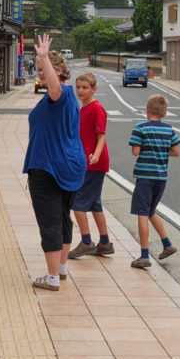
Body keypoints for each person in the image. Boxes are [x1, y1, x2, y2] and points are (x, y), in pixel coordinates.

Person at [23, 33, 86, 291]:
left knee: (50, 220)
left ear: (59, 70)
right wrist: (44, 59)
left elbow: (53, 88)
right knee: (62, 217)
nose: (39, 72)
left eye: (44, 68)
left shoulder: (58, 96)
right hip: (69, 165)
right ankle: (60, 270)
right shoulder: (68, 98)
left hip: (48, 166)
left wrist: (44, 56)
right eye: (38, 68)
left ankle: (51, 278)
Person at [129, 94, 180, 268]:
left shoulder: (140, 128)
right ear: (164, 113)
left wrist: (146, 148)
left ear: (147, 109)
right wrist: (160, 151)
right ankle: (167, 244)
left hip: (144, 177)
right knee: (151, 211)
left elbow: (135, 151)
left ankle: (144, 256)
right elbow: (176, 152)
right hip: (161, 177)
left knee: (142, 214)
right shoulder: (169, 129)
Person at [67, 72, 115, 258]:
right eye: (78, 87)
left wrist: (95, 155)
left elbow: (102, 135)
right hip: (87, 162)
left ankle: (86, 242)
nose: (80, 90)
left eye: (85, 87)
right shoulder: (83, 108)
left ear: (94, 89)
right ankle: (105, 243)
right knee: (94, 203)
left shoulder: (96, 108)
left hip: (93, 163)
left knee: (77, 202)